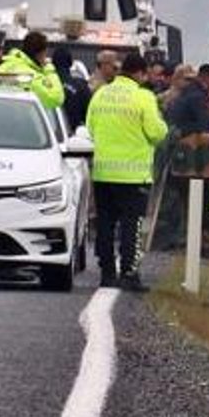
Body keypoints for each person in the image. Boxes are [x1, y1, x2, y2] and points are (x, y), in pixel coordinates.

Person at [86, 52, 169, 291]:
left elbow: (90, 128)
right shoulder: (143, 96)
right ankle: (129, 274)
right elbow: (156, 132)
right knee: (132, 226)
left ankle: (107, 273)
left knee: (105, 224)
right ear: (140, 73)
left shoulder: (101, 94)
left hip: (103, 173)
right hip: (133, 175)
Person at [0, 32, 64, 109]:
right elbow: (55, 99)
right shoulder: (30, 76)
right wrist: (50, 70)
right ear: (41, 53)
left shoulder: (1, 66)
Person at [169, 64, 209, 137]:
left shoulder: (187, 93)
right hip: (189, 139)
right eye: (187, 79)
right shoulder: (197, 96)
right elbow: (206, 125)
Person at [52, 47, 91, 131]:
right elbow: (89, 114)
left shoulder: (45, 85)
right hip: (76, 133)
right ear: (71, 63)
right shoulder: (81, 86)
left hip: (50, 131)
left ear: (53, 63)